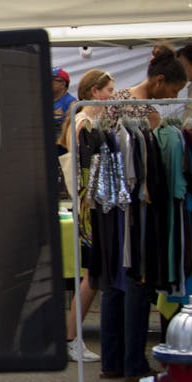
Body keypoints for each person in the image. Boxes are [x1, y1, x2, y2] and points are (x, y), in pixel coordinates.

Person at [97, 46, 187, 380]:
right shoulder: (144, 112)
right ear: (160, 80)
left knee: (114, 282)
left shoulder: (116, 101)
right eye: (173, 90)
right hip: (135, 206)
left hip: (112, 204)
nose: (173, 96)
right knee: (136, 278)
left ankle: (112, 360)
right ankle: (134, 362)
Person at [60, 69, 115, 364]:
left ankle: (72, 337)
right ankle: (71, 337)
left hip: (87, 204)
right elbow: (87, 169)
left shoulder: (82, 119)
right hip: (89, 207)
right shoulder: (83, 122)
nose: (111, 96)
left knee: (91, 275)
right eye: (108, 90)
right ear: (95, 91)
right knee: (91, 275)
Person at [51, 68, 76, 156]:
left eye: (52, 80)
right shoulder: (43, 100)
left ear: (63, 83)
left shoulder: (71, 103)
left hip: (61, 149)